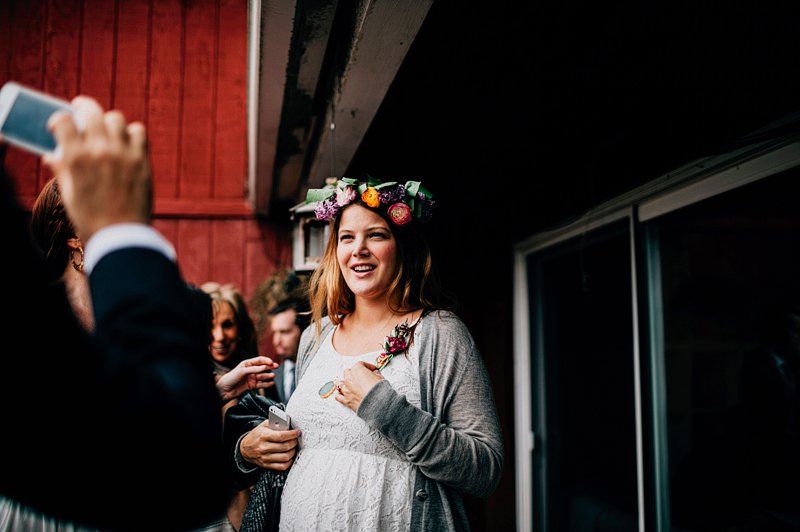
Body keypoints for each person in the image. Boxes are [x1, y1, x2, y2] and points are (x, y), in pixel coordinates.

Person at [0, 97, 230, 530]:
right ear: (77, 237)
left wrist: (212, 388)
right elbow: (174, 467)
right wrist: (121, 229)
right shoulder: (39, 320)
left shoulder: (168, 303)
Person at [228, 176, 504, 531]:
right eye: (347, 238)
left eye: (376, 235)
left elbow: (485, 471)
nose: (358, 249)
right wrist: (251, 449)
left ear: (402, 246)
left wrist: (384, 407)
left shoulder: (441, 333)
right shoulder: (317, 334)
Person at [265, 295, 311, 404]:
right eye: (274, 333)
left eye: (284, 332)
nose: (276, 341)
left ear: (304, 330)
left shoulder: (319, 371)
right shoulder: (271, 376)